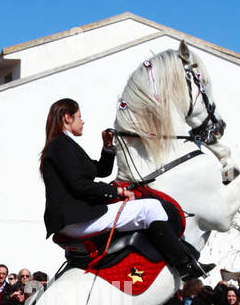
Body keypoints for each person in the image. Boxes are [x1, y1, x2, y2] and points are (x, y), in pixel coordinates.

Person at [40, 97, 213, 279]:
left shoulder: (62, 145)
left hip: (74, 219)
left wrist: (108, 148)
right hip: (76, 219)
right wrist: (118, 191)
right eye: (79, 117)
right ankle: (185, 266)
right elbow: (80, 185)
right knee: (150, 208)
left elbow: (101, 170)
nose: (82, 121)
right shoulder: (61, 145)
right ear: (67, 117)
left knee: (142, 210)